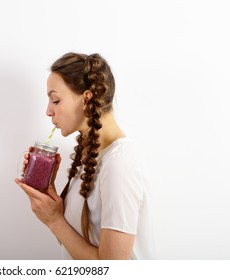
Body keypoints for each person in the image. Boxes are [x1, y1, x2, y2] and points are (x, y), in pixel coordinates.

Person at [15, 52, 155, 260]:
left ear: (86, 98)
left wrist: (55, 221)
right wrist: (50, 204)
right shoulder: (89, 158)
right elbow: (77, 243)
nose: (48, 111)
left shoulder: (119, 163)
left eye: (55, 100)